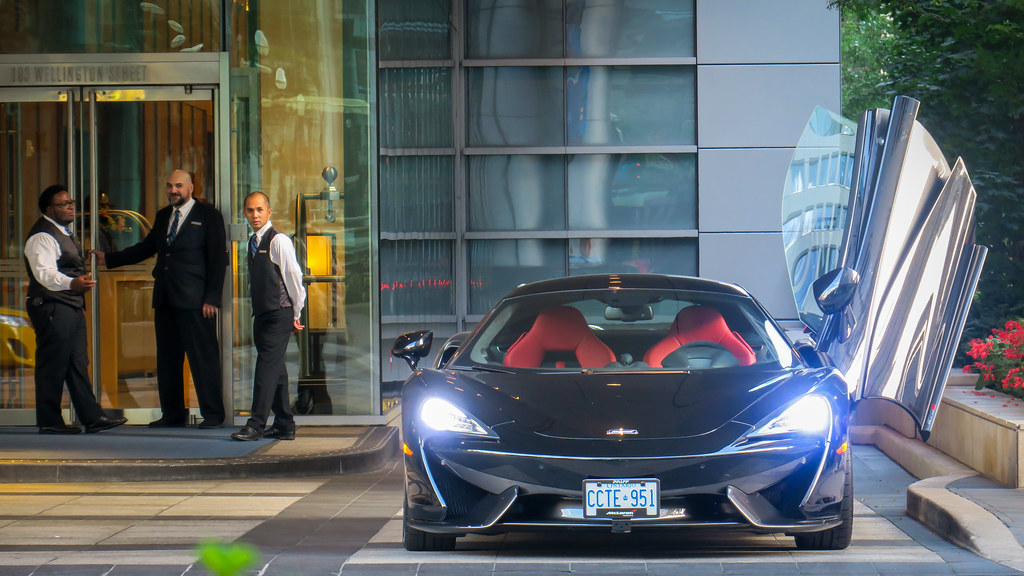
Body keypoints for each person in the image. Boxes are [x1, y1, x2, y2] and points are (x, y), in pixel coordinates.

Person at [91, 170, 228, 428]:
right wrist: (108, 259)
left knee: (203, 359)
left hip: (196, 302)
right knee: (167, 361)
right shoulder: (164, 215)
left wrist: (212, 298)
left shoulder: (209, 216)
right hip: (165, 299)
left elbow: (218, 260)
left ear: (191, 188)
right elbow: (146, 248)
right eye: (169, 186)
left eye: (178, 186)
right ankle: (173, 415)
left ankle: (213, 414)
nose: (173, 190)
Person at [24, 185, 127, 434]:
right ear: (49, 209)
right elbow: (45, 274)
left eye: (71, 203)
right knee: (53, 363)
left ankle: (91, 417)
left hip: (68, 306)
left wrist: (77, 303)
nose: (70, 207)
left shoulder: (64, 232)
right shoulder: (42, 236)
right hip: (51, 306)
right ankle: (49, 421)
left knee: (77, 362)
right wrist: (73, 284)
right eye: (63, 204)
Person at [232, 191, 306, 441]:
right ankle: (284, 423)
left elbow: (294, 278)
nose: (255, 215)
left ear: (269, 212)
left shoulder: (279, 241)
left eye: (259, 210)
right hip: (262, 314)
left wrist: (297, 312)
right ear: (245, 213)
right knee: (277, 369)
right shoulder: (252, 243)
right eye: (250, 210)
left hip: (279, 314)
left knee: (265, 367)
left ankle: (256, 424)